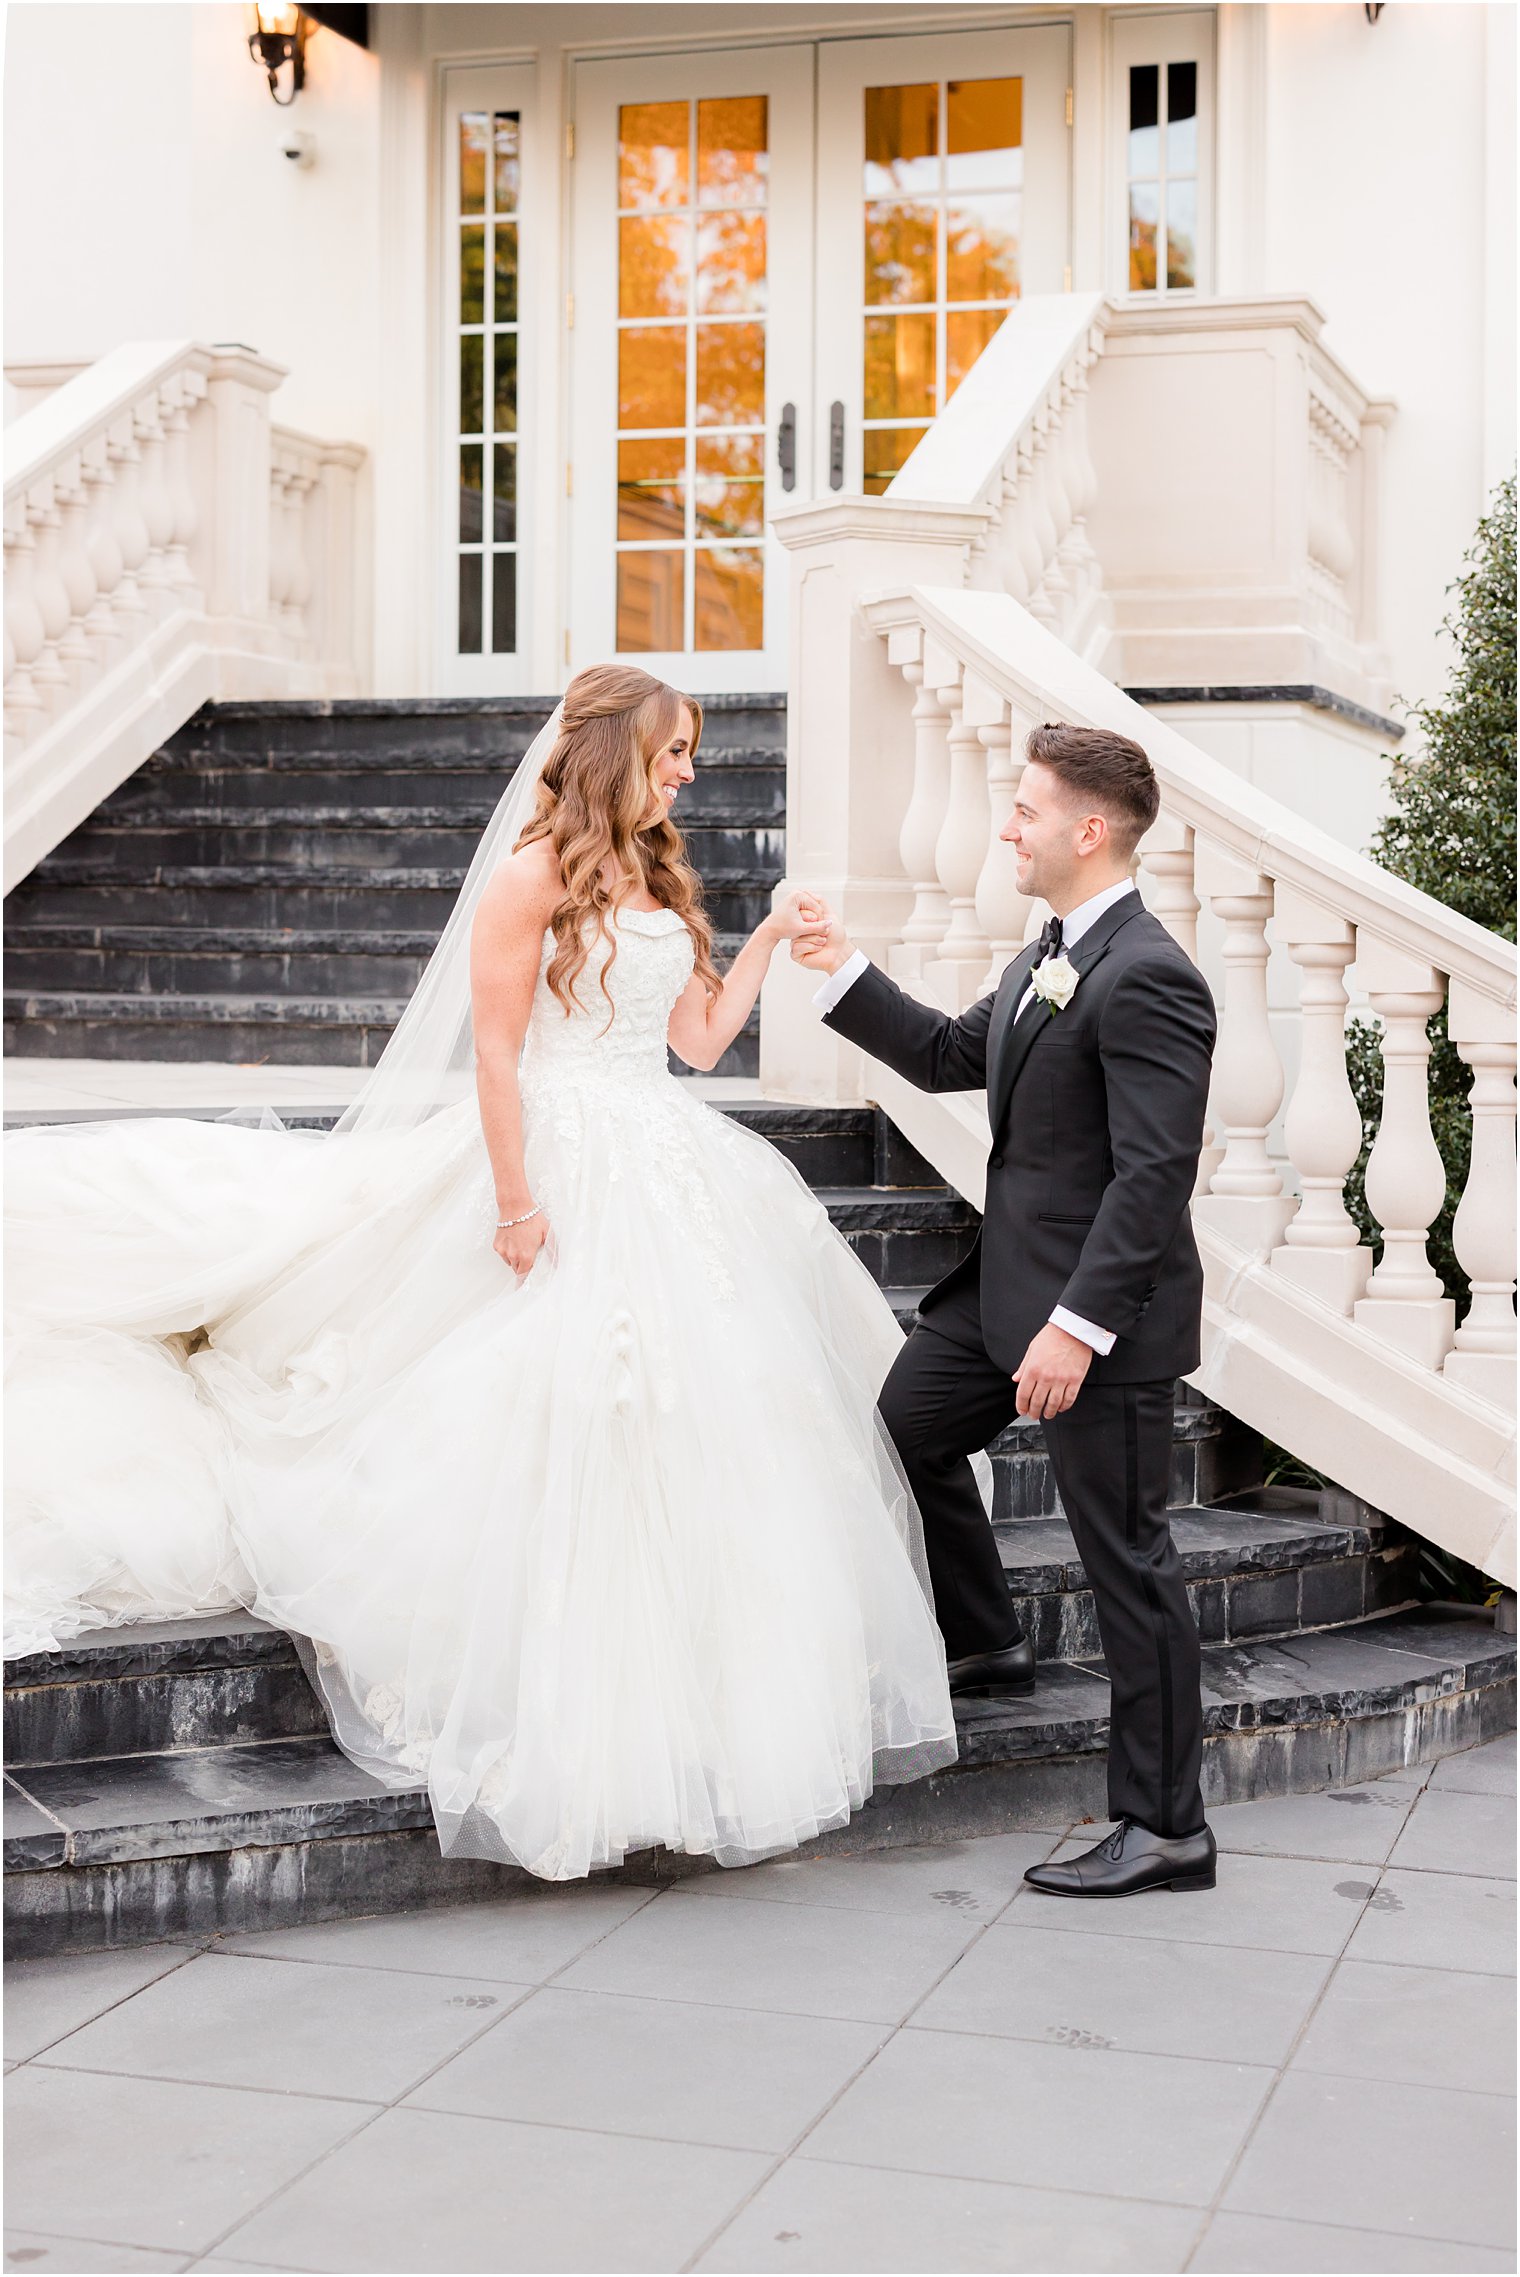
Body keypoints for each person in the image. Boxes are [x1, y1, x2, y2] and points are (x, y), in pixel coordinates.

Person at [4, 666, 962, 1882]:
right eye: (672, 753)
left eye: (690, 755)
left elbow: (699, 1041)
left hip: (668, 1162)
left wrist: (770, 935)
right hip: (553, 1157)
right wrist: (516, 1203)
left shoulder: (662, 874)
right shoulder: (529, 879)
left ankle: (687, 1723)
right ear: (617, 752)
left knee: (700, 1421)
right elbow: (498, 1060)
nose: (687, 773)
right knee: (559, 1406)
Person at [792, 721, 1221, 1899]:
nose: (1006, 826)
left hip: (1097, 1327)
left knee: (1127, 1565)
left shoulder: (1149, 975)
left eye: (1025, 809)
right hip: (999, 1296)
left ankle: (1164, 1825)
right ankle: (983, 1637)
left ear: (1088, 830)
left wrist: (1073, 1330)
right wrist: (835, 963)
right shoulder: (1051, 949)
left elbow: (1149, 1179)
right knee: (905, 1427)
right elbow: (942, 1052)